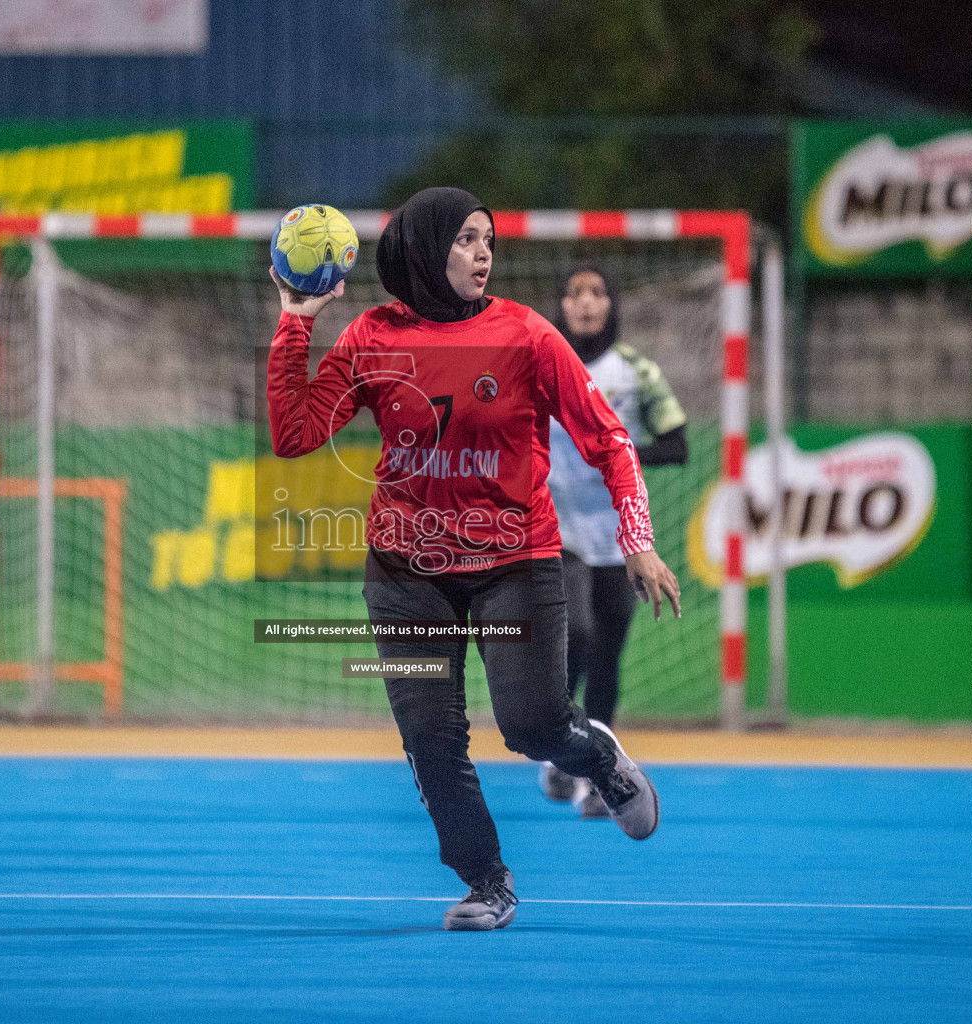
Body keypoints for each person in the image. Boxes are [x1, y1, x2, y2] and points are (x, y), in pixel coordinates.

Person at [267, 187, 680, 931]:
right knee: (430, 736)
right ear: (426, 248)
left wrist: (638, 542)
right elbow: (295, 433)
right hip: (405, 569)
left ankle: (599, 759)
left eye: (487, 238)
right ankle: (488, 882)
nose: (483, 252)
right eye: (464, 239)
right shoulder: (370, 335)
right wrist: (296, 325)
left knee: (531, 726)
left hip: (514, 562)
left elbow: (610, 439)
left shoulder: (526, 334)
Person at [538, 266, 689, 818]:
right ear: (560, 304)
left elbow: (677, 445)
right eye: (573, 292)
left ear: (612, 304)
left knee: (608, 653)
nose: (585, 302)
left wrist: (616, 454)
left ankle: (590, 773)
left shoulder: (636, 371)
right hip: (554, 527)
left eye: (597, 292)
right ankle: (561, 744)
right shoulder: (540, 364)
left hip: (622, 535)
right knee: (575, 631)